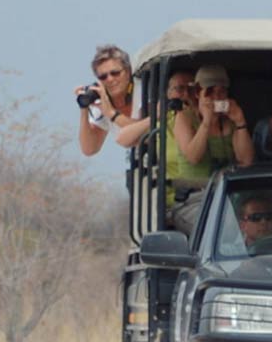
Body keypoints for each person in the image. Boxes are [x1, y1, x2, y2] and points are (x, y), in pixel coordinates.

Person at [171, 64, 254, 235]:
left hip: (229, 197)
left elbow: (246, 160)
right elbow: (193, 156)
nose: (216, 97)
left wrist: (240, 122)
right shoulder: (184, 118)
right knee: (217, 230)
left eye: (221, 92)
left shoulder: (229, 121)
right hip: (195, 199)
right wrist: (207, 122)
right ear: (197, 93)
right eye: (210, 92)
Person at [116, 71, 195, 212]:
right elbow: (123, 139)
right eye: (179, 89)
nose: (186, 94)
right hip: (181, 201)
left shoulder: (208, 118)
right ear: (168, 93)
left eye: (191, 88)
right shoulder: (164, 121)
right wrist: (156, 116)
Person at [75, 44, 140, 156]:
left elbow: (145, 132)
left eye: (115, 73)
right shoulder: (102, 100)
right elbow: (89, 149)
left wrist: (111, 113)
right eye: (103, 77)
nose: (110, 79)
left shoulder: (143, 89)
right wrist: (84, 109)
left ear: (128, 72)